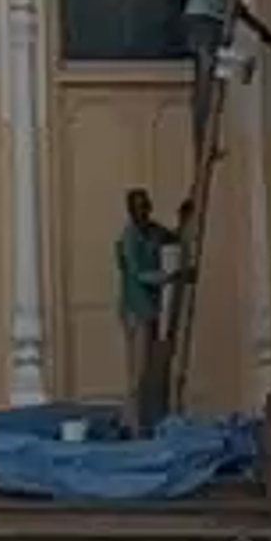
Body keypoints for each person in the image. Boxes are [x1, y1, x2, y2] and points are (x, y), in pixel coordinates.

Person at [113, 187, 177, 437]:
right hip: (135, 309)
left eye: (146, 206)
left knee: (145, 368)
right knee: (138, 370)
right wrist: (171, 277)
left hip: (149, 309)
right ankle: (132, 423)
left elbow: (173, 237)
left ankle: (130, 419)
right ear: (131, 211)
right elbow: (140, 274)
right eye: (138, 207)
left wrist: (186, 220)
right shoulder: (130, 238)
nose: (144, 211)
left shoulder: (153, 231)